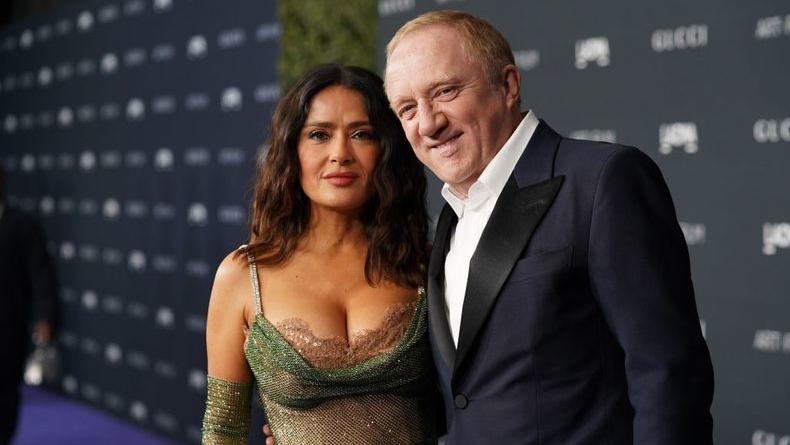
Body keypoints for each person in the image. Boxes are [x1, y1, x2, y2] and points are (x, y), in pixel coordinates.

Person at [381, 10, 714, 445]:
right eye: (408, 109)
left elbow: (669, 375)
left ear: (508, 85)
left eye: (444, 91)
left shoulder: (602, 181)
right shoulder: (449, 218)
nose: (428, 123)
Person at [201, 64, 438, 445]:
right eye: (319, 135)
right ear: (292, 150)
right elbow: (222, 430)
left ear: (387, 149)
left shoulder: (426, 265)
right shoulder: (243, 275)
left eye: (362, 134)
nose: (340, 154)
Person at [0, 166, 57, 445]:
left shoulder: (23, 225)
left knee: (6, 394)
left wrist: (44, 320)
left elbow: (41, 276)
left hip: (9, 327)